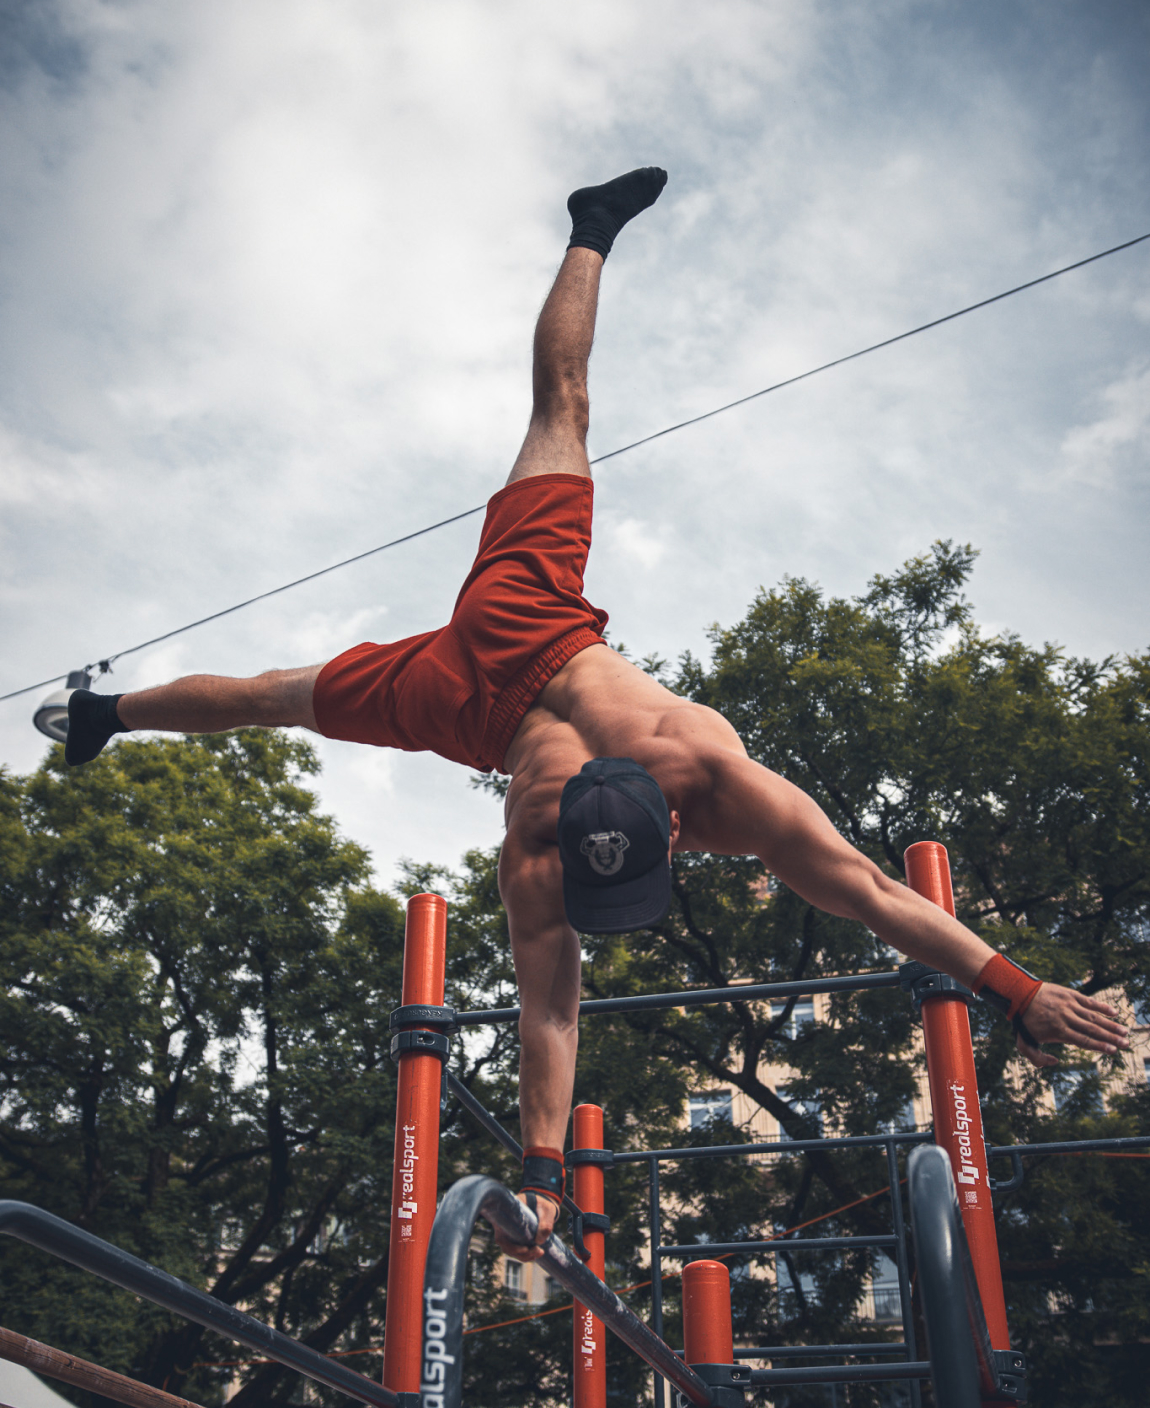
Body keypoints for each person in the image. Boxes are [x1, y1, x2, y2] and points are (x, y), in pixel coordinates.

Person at [66, 168, 1129, 1262]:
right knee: (304, 667)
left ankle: (110, 710)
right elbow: (818, 906)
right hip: (478, 678)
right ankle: (590, 229)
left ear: (670, 828)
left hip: (499, 645)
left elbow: (828, 902)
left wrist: (1016, 988)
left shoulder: (659, 795)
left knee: (284, 685)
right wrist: (1013, 986)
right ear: (659, 834)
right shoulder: (585, 829)